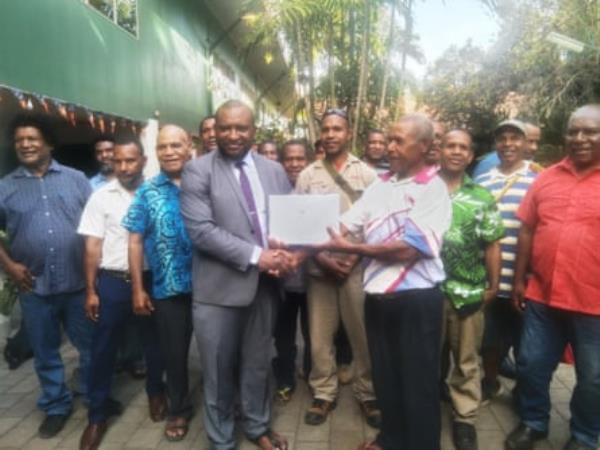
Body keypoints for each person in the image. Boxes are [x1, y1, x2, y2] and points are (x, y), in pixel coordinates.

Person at [312, 113, 451, 450]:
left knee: (417, 383)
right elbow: (341, 226)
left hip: (416, 301)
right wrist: (292, 248)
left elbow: (409, 250)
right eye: (388, 139)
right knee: (386, 379)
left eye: (398, 141)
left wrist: (352, 248)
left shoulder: (433, 189)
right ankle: (390, 440)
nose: (389, 147)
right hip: (377, 299)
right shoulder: (382, 184)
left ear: (425, 147)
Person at [180, 100, 293, 450]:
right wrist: (260, 255)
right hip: (217, 292)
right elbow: (201, 231)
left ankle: (257, 427)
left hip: (265, 288)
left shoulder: (273, 170)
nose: (231, 135)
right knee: (216, 370)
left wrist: (287, 248)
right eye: (224, 127)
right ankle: (222, 440)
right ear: (214, 129)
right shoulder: (198, 170)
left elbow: (287, 219)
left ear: (253, 131)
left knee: (258, 364)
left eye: (240, 128)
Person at [505, 104, 600, 450]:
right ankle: (534, 422)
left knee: (593, 378)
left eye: (590, 131)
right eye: (574, 131)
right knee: (530, 364)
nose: (580, 138)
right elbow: (527, 230)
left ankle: (585, 435)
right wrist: (519, 280)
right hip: (542, 295)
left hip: (594, 304)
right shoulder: (546, 177)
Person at [0, 115, 93, 438]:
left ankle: (96, 399)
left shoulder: (76, 179)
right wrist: (9, 266)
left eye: (32, 138)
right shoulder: (5, 186)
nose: (25, 144)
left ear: (48, 143)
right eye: (19, 140)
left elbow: (97, 227)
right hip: (33, 286)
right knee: (45, 352)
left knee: (90, 346)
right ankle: (56, 406)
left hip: (79, 282)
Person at [78, 135, 166, 450]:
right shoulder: (100, 197)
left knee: (154, 343)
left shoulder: (158, 193)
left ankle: (156, 392)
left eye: (131, 160)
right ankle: (97, 416)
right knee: (102, 350)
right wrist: (91, 290)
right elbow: (92, 246)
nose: (124, 166)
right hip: (113, 282)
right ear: (112, 162)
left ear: (143, 161)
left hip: (152, 279)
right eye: (118, 161)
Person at [295, 109, 380, 428]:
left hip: (357, 270)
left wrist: (353, 258)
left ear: (348, 133)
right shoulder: (308, 175)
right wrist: (322, 259)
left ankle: (367, 392)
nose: (331, 134)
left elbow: (377, 223)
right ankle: (324, 392)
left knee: (362, 335)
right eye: (326, 129)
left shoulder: (368, 174)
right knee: (319, 338)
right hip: (320, 270)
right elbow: (299, 224)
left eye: (337, 129)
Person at [122, 125, 194, 441]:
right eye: (163, 146)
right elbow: (135, 241)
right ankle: (179, 409)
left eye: (176, 145)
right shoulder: (148, 192)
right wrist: (138, 288)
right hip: (169, 289)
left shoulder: (205, 184)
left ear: (189, 146)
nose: (170, 151)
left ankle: (227, 403)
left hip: (212, 288)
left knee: (220, 352)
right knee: (174, 355)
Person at [438, 130, 504, 450]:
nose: (455, 151)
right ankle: (424, 408)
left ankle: (464, 417)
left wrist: (494, 285)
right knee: (426, 356)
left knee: (466, 360)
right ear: (440, 150)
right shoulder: (422, 190)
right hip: (427, 290)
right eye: (450, 145)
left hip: (468, 290)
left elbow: (492, 243)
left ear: (470, 155)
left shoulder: (481, 196)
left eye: (462, 147)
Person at [475, 119, 540, 403]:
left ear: (526, 144)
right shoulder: (482, 181)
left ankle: (524, 393)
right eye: (502, 139)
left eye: (515, 138)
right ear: (496, 145)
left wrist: (529, 275)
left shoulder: (539, 179)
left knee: (526, 344)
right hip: (488, 277)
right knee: (489, 339)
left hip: (524, 279)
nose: (508, 144)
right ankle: (489, 382)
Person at [272, 139, 312, 402]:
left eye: (300, 158)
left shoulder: (317, 192)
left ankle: (311, 373)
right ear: (281, 161)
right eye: (289, 159)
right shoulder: (272, 191)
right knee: (283, 332)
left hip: (312, 276)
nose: (295, 164)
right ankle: (285, 376)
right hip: (281, 278)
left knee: (314, 332)